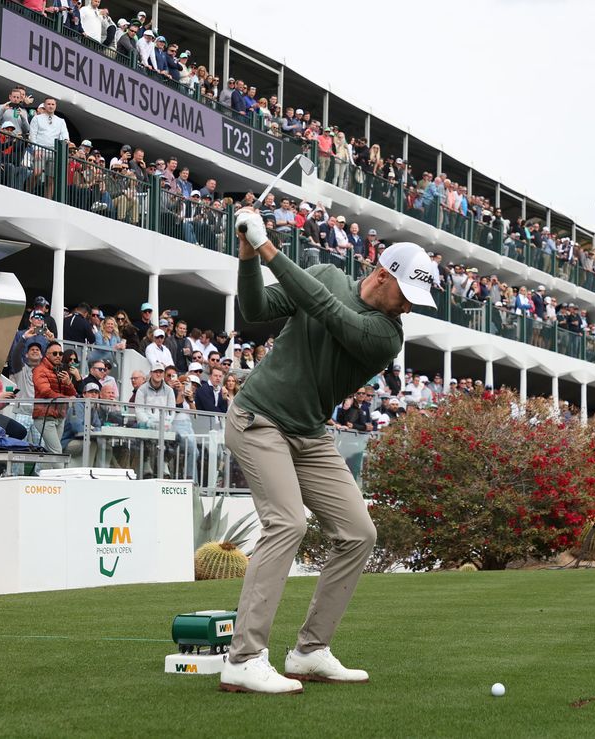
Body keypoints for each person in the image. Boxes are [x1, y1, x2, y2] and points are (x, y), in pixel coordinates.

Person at [217, 207, 435, 694]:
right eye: (407, 295)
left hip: (310, 434)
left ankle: (310, 651)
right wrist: (249, 253)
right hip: (259, 419)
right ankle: (244, 657)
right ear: (382, 275)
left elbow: (328, 311)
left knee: (358, 532)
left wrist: (271, 248)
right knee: (287, 522)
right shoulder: (326, 272)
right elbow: (254, 309)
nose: (410, 308)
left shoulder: (386, 337)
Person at [32, 341, 75, 453]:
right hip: (44, 416)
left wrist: (68, 383)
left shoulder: (61, 370)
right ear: (47, 354)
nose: (58, 356)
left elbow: (72, 394)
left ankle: (43, 471)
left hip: (59, 416)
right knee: (56, 451)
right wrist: (66, 398)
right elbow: (45, 391)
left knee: (51, 452)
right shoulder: (39, 370)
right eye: (55, 353)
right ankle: (63, 472)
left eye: (60, 354)